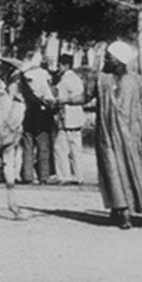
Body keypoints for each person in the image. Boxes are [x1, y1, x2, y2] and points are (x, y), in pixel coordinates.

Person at [90, 41, 142, 228]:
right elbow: (85, 96)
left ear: (120, 60)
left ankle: (131, 208)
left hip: (132, 137)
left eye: (109, 57)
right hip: (106, 136)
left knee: (140, 172)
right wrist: (61, 100)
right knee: (112, 171)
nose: (106, 59)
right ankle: (121, 211)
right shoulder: (101, 79)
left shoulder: (137, 81)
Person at [19, 53, 58, 184]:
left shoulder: (27, 75)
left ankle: (28, 175)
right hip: (42, 117)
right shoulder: (44, 74)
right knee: (43, 147)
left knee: (28, 147)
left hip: (29, 116)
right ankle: (44, 176)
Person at [53, 54, 86, 185]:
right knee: (76, 149)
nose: (58, 68)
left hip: (66, 117)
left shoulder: (64, 81)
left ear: (65, 66)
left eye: (60, 65)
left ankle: (64, 176)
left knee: (60, 148)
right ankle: (79, 176)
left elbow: (59, 99)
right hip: (77, 117)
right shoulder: (77, 79)